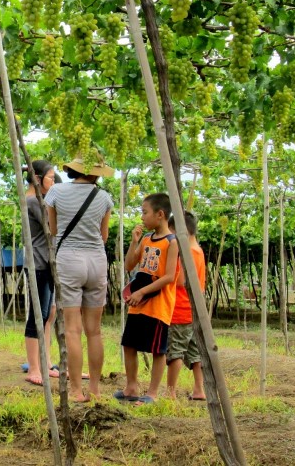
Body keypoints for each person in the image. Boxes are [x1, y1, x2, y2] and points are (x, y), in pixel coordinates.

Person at [45, 156, 114, 402]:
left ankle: (75, 390)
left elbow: (53, 230)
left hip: (69, 261)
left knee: (73, 330)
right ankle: (95, 389)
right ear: (96, 174)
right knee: (94, 331)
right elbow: (103, 236)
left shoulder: (55, 192)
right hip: (96, 260)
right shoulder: (104, 197)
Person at [117, 193, 178, 405]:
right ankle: (131, 386)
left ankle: (152, 393)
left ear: (160, 215)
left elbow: (169, 277)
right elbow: (129, 265)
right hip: (138, 304)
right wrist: (134, 243)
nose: (142, 217)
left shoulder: (172, 242)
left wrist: (142, 292)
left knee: (157, 350)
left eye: (145, 212)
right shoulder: (146, 239)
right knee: (129, 344)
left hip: (158, 306)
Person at [23, 160, 59, 387]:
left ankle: (45, 363)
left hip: (47, 262)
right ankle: (34, 367)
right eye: (51, 178)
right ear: (37, 178)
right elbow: (53, 225)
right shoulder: (33, 201)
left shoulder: (40, 200)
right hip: (38, 261)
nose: (54, 182)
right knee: (38, 314)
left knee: (49, 313)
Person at [165, 211, 207, 401]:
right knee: (194, 353)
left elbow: (181, 280)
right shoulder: (198, 250)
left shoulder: (186, 253)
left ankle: (170, 391)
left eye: (171, 231)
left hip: (180, 310)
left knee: (176, 352)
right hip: (194, 310)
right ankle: (199, 389)